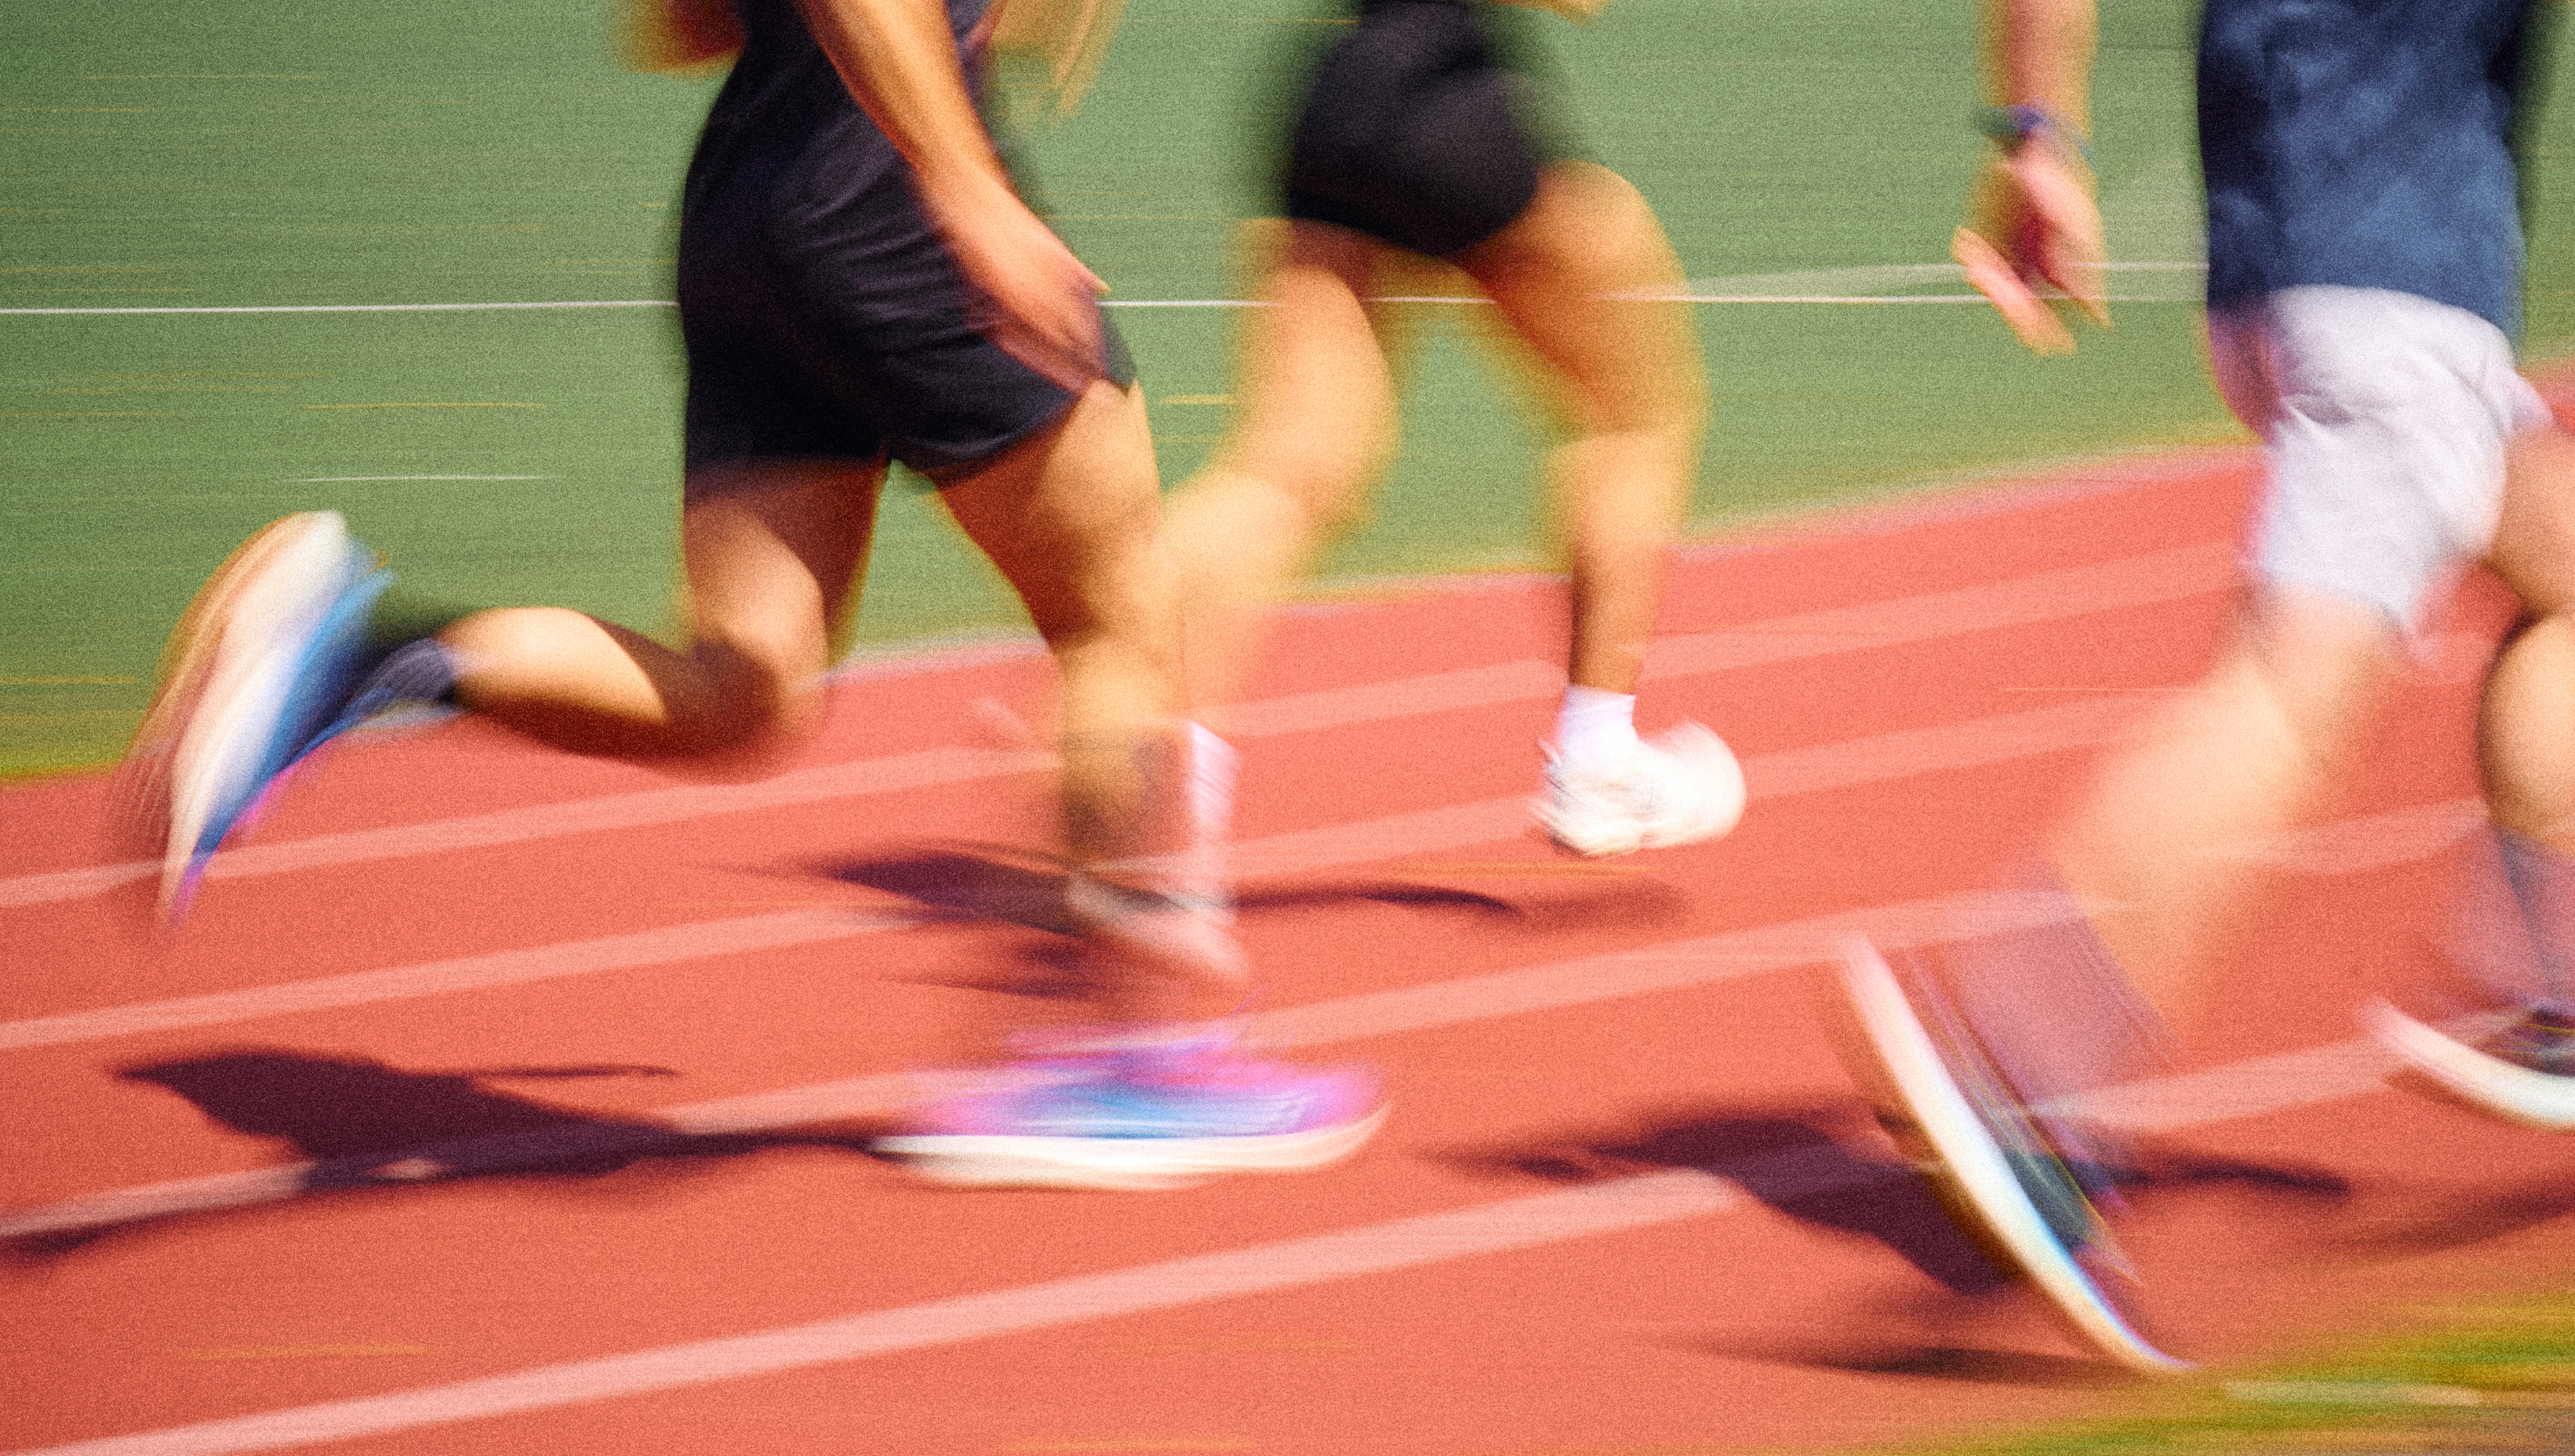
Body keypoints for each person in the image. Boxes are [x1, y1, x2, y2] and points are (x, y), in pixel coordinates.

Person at [124, 0, 1382, 1192]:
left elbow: (688, 22)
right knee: (1116, 618)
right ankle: (1129, 1062)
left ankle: (360, 651)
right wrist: (961, 181)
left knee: (744, 687)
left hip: (755, 221)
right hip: (899, 212)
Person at [1843, 0, 2575, 1371]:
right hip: (2397, 292)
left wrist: (2036, 139)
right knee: (2290, 699)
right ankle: (2020, 1068)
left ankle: (2557, 1001)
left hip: (2277, 282)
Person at [1159, 0, 1745, 862]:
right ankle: (1599, 760)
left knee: (1285, 475)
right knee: (1635, 417)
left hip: (1330, 100)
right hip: (1448, 103)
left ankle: (1140, 760)